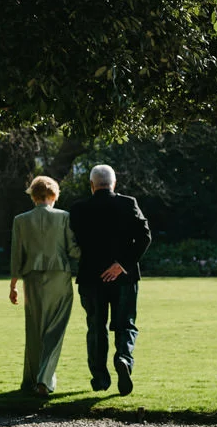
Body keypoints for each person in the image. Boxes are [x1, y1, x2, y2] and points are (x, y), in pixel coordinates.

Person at [66, 164, 151, 396]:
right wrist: (121, 264)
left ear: (92, 185)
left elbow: (76, 239)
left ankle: (100, 378)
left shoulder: (78, 209)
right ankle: (123, 358)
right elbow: (145, 236)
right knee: (125, 324)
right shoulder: (128, 203)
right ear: (114, 183)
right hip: (124, 277)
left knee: (96, 327)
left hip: (91, 277)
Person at [8, 176, 78, 397]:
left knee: (34, 329)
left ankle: (30, 379)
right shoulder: (64, 217)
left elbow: (16, 254)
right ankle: (44, 380)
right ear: (54, 195)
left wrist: (13, 285)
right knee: (55, 329)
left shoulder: (21, 220)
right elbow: (74, 250)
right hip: (59, 275)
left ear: (33, 196)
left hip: (32, 278)